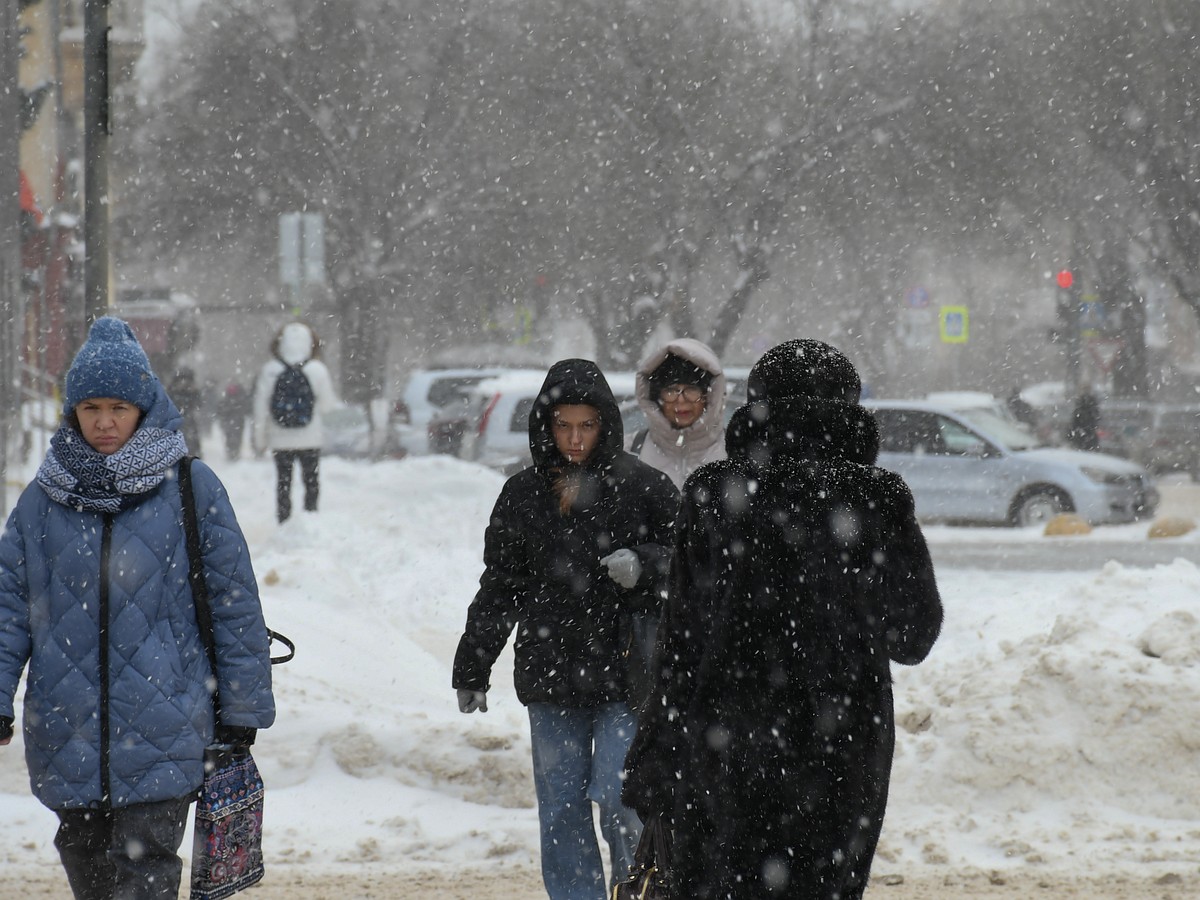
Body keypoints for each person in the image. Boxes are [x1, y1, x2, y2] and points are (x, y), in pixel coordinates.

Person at [623, 339, 943, 900]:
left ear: (756, 405)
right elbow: (913, 635)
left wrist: (658, 752)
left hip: (728, 742)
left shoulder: (713, 494)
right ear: (850, 407)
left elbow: (681, 642)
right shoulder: (879, 498)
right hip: (844, 745)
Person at [0, 316, 276, 900]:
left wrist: (243, 706)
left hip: (165, 722)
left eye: (119, 407)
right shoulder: (41, 501)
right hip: (65, 729)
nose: (104, 422)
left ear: (145, 409)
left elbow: (234, 604)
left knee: (146, 868)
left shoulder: (191, 488)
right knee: (86, 866)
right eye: (91, 407)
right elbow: (8, 611)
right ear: (71, 411)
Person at [452, 359, 679, 900]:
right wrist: (472, 664)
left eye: (587, 425)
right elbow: (500, 587)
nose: (575, 439)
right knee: (560, 808)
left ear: (606, 424)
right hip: (550, 675)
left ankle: (636, 890)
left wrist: (644, 564)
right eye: (563, 425)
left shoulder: (645, 488)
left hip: (628, 676)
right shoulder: (522, 495)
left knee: (622, 797)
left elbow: (689, 567)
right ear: (545, 426)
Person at [251, 320, 338, 522]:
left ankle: (284, 521)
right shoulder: (317, 369)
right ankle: (311, 518)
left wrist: (260, 439)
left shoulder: (270, 370)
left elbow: (260, 408)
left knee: (283, 482)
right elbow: (327, 406)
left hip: (280, 438)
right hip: (311, 438)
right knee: (311, 481)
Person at [632, 338, 728, 490]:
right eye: (671, 391)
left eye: (691, 389)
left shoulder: (736, 452)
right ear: (657, 397)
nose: (681, 401)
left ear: (709, 396)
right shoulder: (630, 451)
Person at [169, 366, 205, 458]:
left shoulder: (174, 387)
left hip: (180, 418)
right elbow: (198, 403)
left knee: (188, 438)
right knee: (191, 438)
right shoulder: (189, 388)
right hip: (185, 418)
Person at [218, 380, 252, 460]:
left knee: (232, 437)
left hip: (233, 421)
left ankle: (232, 452)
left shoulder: (227, 398)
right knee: (234, 437)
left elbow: (220, 409)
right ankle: (233, 452)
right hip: (236, 421)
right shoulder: (240, 398)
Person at [1066, 387, 1101, 451]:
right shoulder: (1092, 410)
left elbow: (1074, 423)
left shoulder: (1079, 410)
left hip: (1081, 436)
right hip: (1087, 437)